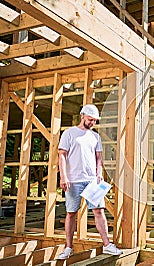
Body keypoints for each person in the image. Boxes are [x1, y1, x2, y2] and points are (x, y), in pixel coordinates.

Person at [57, 104, 123, 260]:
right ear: (82, 116)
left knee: (99, 211)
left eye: (95, 120)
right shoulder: (69, 133)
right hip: (73, 180)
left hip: (91, 180)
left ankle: (107, 245)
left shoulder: (95, 137)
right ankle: (68, 248)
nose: (92, 122)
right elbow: (62, 155)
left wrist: (99, 173)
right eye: (90, 119)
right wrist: (63, 176)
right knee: (71, 213)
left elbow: (98, 158)